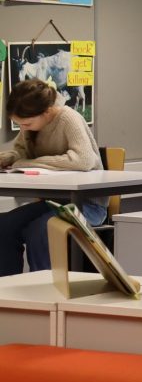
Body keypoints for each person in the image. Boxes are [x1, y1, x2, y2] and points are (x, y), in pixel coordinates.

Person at [0, 81, 105, 275]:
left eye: (26, 124)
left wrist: (29, 163)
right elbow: (21, 152)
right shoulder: (31, 125)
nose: (23, 128)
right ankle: (7, 287)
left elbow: (84, 160)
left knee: (41, 230)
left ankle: (44, 288)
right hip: (52, 203)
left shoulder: (68, 118)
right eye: (19, 124)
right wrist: (8, 158)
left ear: (47, 112)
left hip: (87, 205)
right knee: (4, 226)